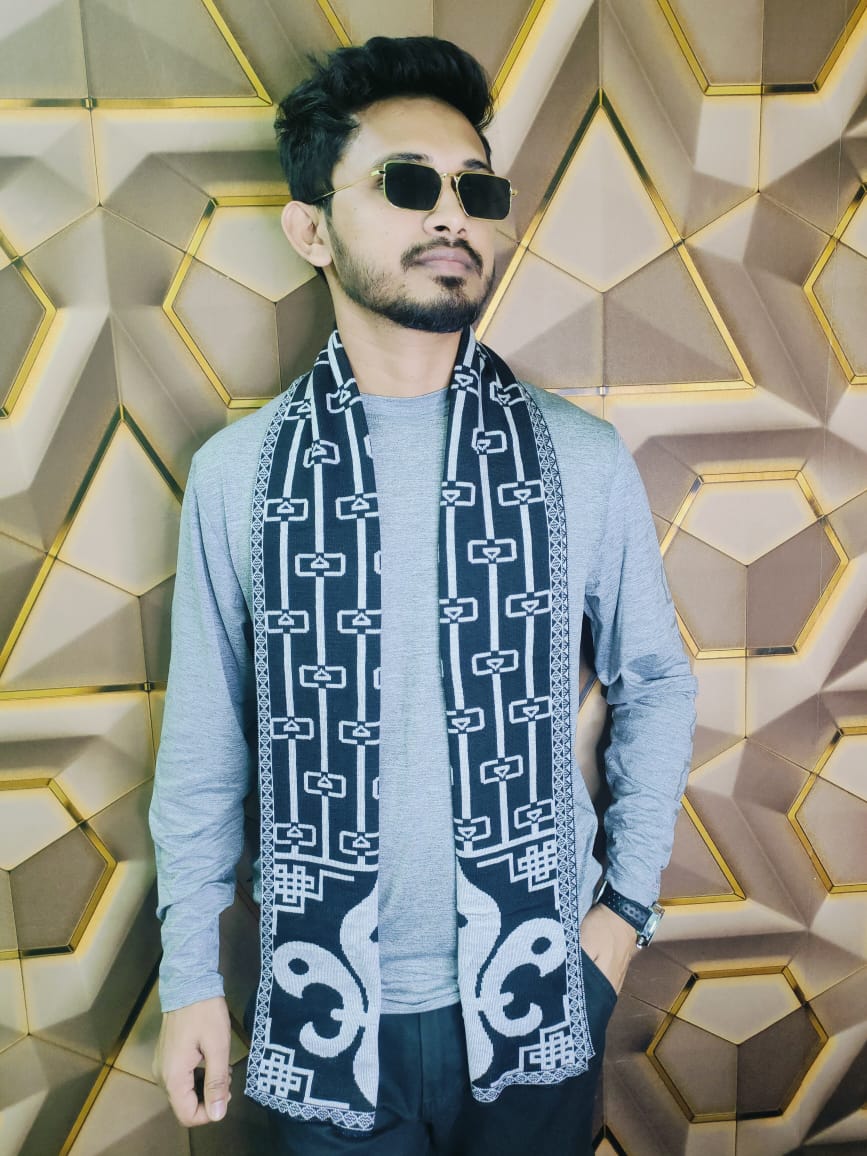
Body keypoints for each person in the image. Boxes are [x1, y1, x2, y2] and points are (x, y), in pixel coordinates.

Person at [149, 35, 697, 1155]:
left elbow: (656, 680)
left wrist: (620, 922)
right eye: (407, 184)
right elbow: (204, 746)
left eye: (475, 190)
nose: (451, 213)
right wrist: (190, 979)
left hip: (540, 995)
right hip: (324, 1013)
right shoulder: (239, 475)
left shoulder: (578, 458)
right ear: (310, 229)